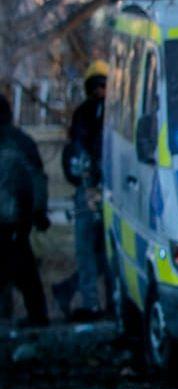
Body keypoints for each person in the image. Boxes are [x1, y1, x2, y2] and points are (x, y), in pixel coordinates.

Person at [63, 62, 110, 321]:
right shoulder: (89, 114)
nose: (100, 91)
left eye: (103, 85)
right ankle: (94, 302)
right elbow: (78, 154)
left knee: (98, 250)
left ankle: (105, 300)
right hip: (93, 189)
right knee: (91, 250)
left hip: (99, 190)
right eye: (97, 86)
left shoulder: (95, 114)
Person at [0, 95, 51, 328]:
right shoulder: (23, 142)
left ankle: (13, 316)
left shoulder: (16, 143)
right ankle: (36, 316)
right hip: (17, 219)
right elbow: (37, 180)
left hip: (10, 218)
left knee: (20, 270)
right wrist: (39, 212)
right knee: (24, 270)